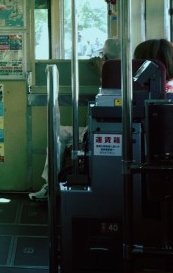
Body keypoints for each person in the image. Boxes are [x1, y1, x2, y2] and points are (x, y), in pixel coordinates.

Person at [29, 37, 121, 201]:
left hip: (105, 130)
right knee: (60, 131)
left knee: (59, 133)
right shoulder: (126, 72)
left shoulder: (115, 75)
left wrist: (102, 73)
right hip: (106, 128)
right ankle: (51, 184)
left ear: (106, 58)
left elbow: (110, 98)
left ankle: (50, 186)